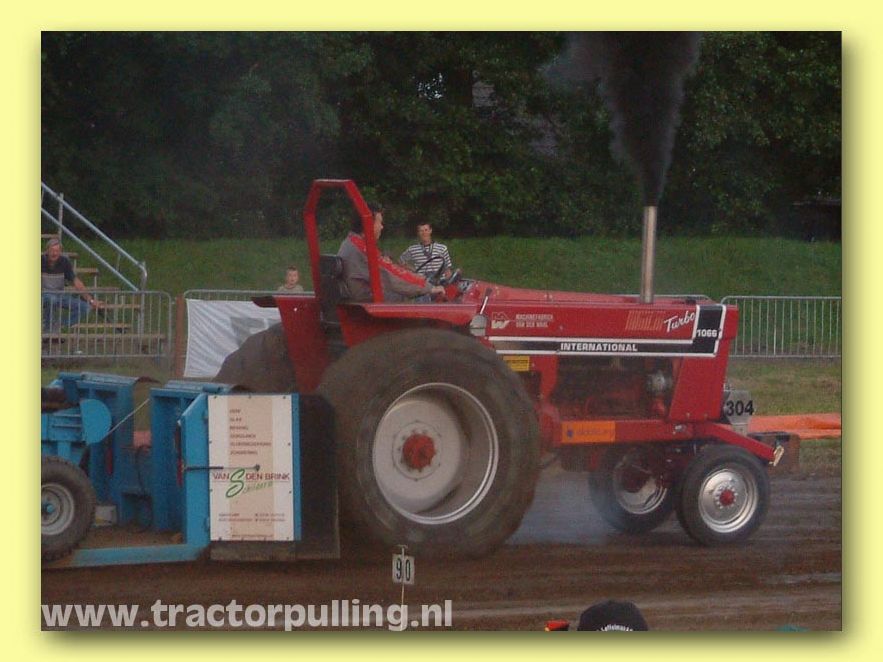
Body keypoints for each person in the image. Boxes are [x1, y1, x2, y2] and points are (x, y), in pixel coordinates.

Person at [338, 205, 444, 303]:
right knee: (419, 298)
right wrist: (428, 287)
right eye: (379, 223)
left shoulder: (351, 242)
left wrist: (418, 278)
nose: (382, 227)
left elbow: (389, 270)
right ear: (368, 224)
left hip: (361, 297)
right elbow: (391, 275)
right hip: (368, 303)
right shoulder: (362, 250)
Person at [41, 237, 103, 333]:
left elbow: (76, 282)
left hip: (60, 295)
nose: (54, 253)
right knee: (51, 299)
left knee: (86, 307)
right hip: (43, 295)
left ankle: (60, 326)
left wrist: (91, 300)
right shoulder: (40, 261)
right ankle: (48, 329)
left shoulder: (64, 262)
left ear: (60, 252)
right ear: (47, 251)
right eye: (52, 250)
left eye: (57, 251)